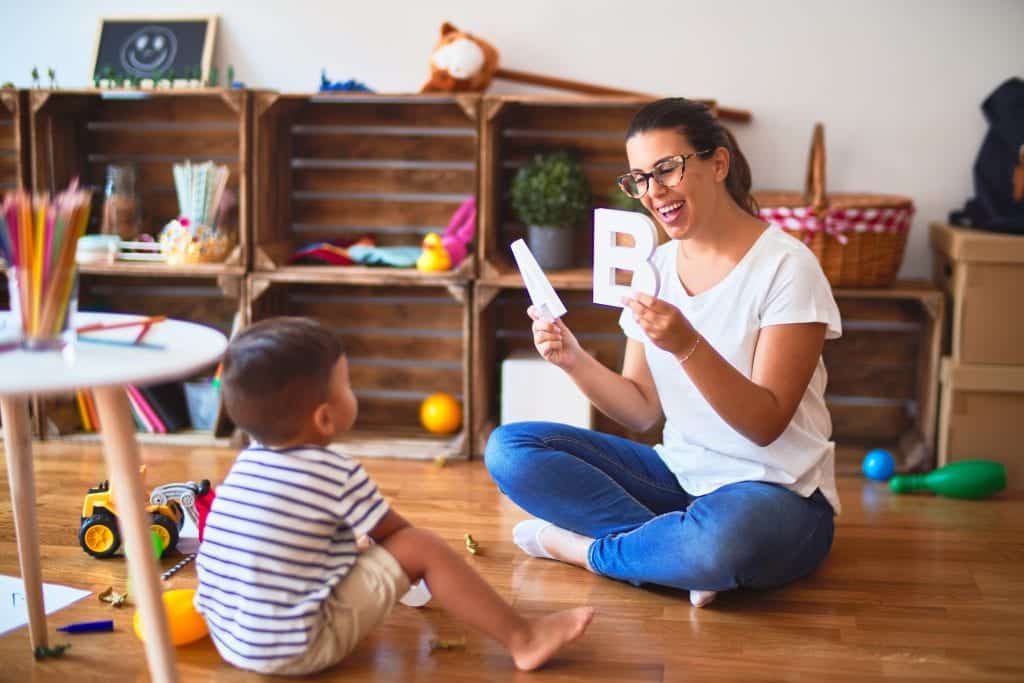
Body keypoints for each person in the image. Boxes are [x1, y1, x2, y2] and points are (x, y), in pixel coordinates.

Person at [485, 98, 842, 608]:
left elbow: (766, 423)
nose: (654, 192)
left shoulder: (788, 268)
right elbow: (641, 409)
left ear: (718, 164)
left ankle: (588, 551)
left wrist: (687, 345)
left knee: (725, 540)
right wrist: (573, 360)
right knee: (511, 452)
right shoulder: (654, 266)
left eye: (667, 169)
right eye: (639, 179)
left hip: (776, 494)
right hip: (677, 476)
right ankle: (674, 554)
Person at [195, 317, 594, 675]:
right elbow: (396, 535)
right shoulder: (333, 471)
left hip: (231, 640)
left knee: (357, 542)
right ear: (324, 417)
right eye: (345, 385)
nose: (353, 392)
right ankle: (524, 639)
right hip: (299, 648)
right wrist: (412, 570)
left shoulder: (246, 465)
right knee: (422, 547)